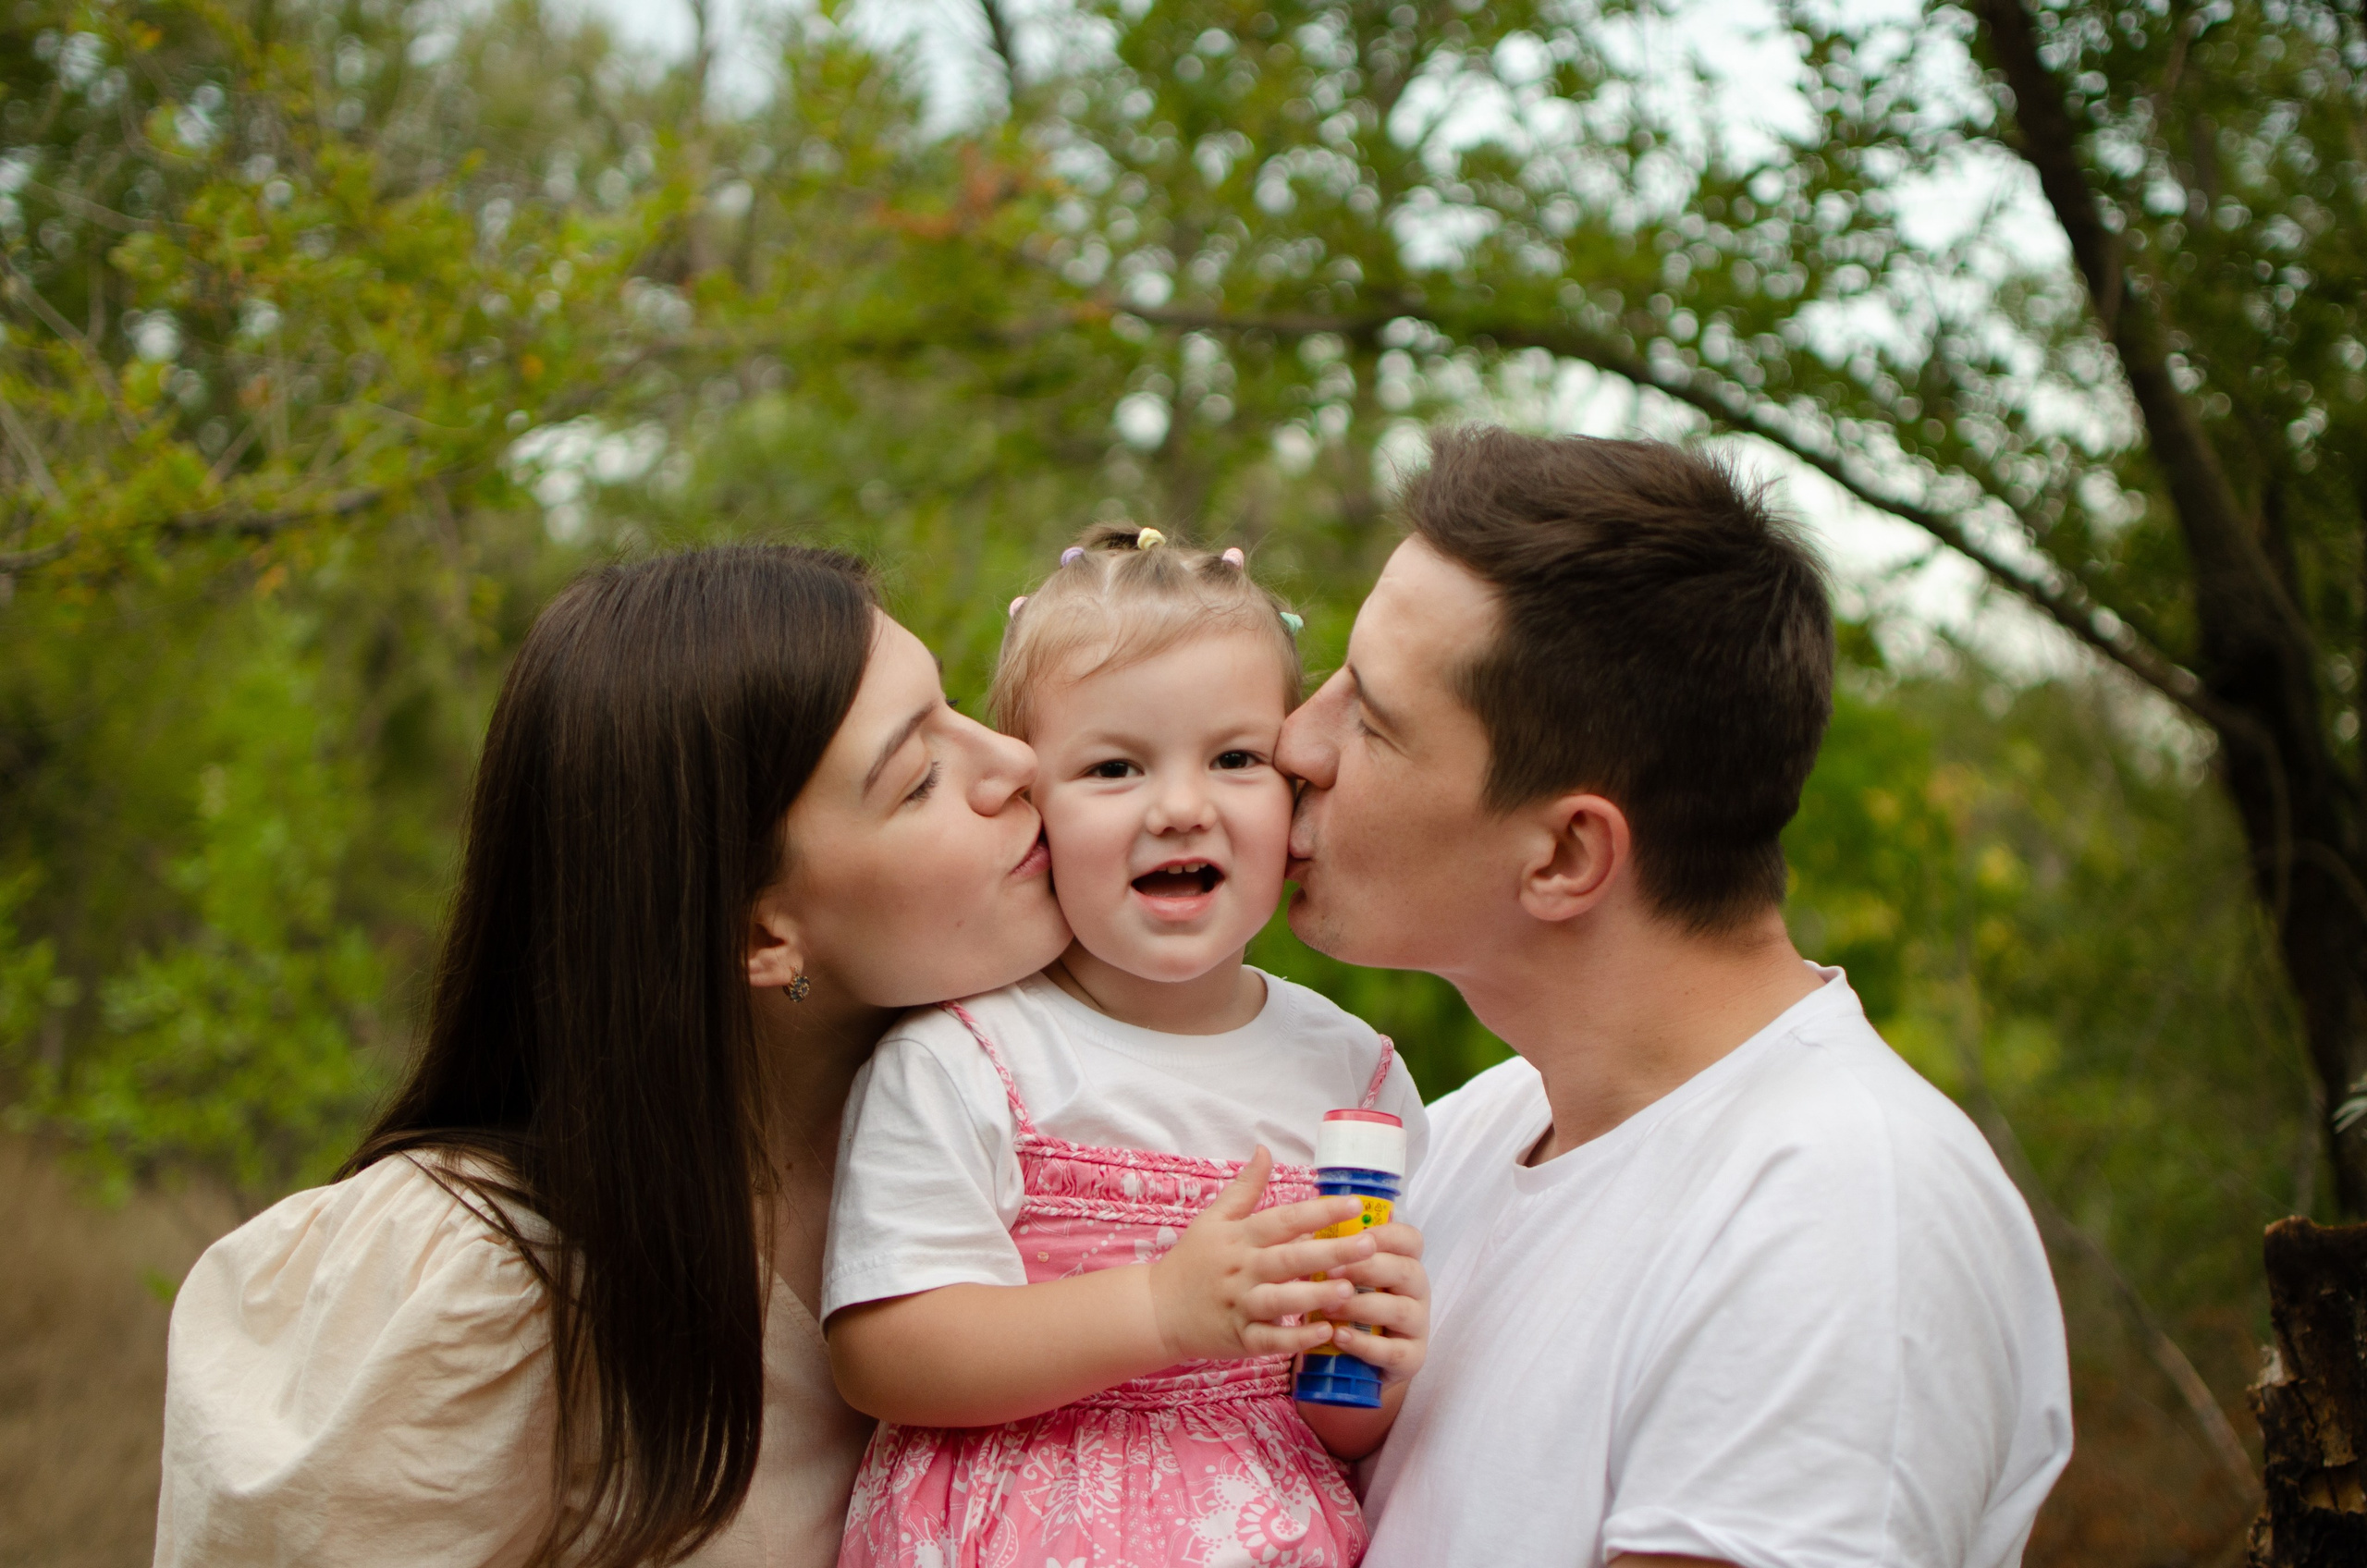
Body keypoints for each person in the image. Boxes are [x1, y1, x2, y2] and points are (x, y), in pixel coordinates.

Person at [153, 545, 1074, 1568]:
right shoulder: (476, 1284)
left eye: (953, 705)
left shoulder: (1034, 1140)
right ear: (761, 935)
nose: (1015, 761)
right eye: (918, 779)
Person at [1278, 430, 2074, 1568]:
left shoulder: (1840, 1218)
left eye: (1371, 717)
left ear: (1562, 854)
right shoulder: (1462, 1137)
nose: (1293, 739)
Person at [825, 526, 1431, 1568]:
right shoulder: (971, 1053)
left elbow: (1339, 1424)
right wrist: (1159, 1309)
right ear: (1031, 810)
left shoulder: (1352, 1076)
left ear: (1293, 791)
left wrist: (1374, 1370)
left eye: (1237, 758)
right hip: (1015, 1527)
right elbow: (885, 1351)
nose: (1183, 806)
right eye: (1114, 766)